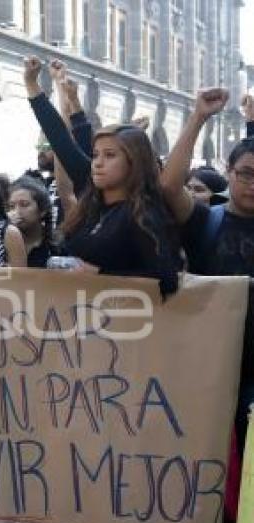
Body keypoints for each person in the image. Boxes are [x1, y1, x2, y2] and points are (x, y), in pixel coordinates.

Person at [24, 56, 179, 295]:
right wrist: (32, 85)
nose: (97, 163)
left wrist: (101, 275)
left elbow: (166, 280)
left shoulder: (143, 213)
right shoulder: (91, 200)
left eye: (109, 155)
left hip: (123, 325)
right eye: (96, 155)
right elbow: (61, 139)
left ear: (133, 162)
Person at [157, 89, 254, 447]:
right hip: (208, 366)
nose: (253, 183)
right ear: (228, 174)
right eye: (245, 174)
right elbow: (168, 185)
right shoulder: (204, 222)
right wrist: (198, 117)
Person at [6, 175, 57, 268]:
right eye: (12, 206)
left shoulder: (56, 248)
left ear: (42, 211)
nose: (16, 211)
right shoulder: (0, 245)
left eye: (24, 204)